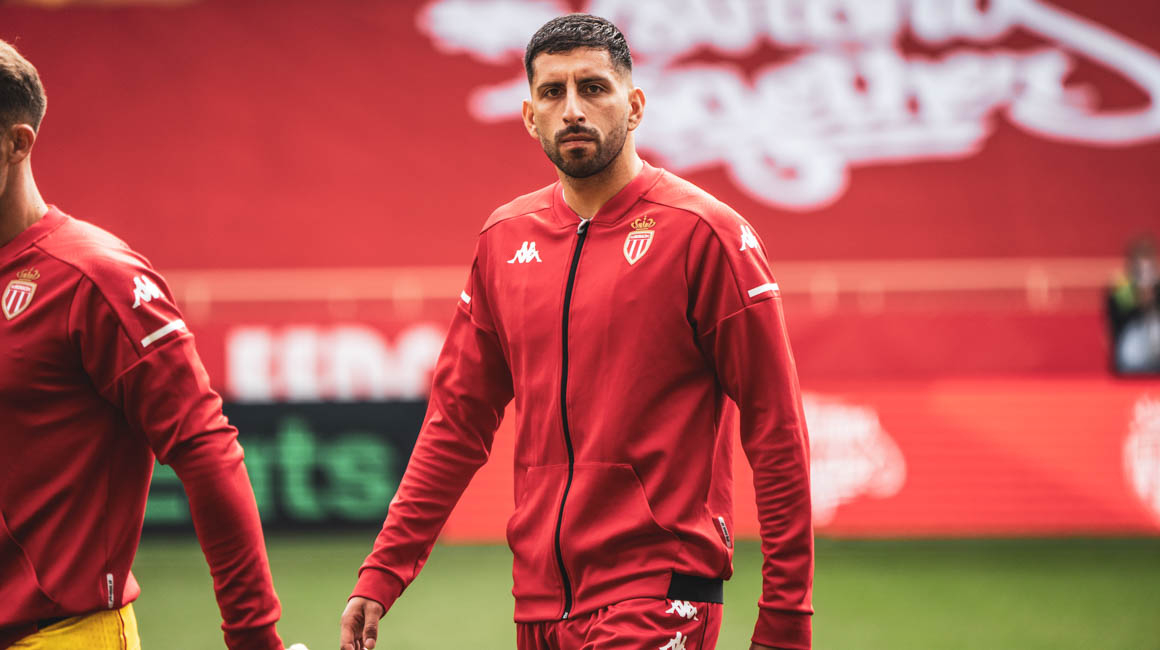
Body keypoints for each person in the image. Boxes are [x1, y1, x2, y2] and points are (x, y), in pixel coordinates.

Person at [340, 14, 812, 650]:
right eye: (552, 92)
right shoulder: (503, 240)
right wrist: (383, 571)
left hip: (659, 592)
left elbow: (776, 428)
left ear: (634, 105)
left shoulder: (707, 234)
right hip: (538, 603)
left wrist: (787, 617)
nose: (572, 110)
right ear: (530, 116)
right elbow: (455, 423)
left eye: (593, 88)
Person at [0, 39, 286, 649]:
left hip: (58, 635)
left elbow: (206, 450)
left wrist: (255, 638)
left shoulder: (93, 277)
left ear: (17, 143)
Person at [1107, 235, 1160, 374]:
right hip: (1132, 348)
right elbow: (1117, 324)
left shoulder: (1157, 288)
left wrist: (1153, 298)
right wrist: (1140, 302)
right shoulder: (1121, 289)